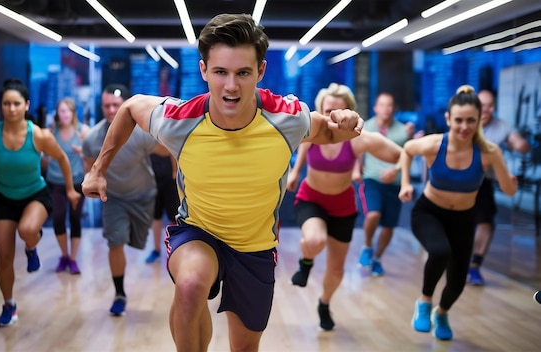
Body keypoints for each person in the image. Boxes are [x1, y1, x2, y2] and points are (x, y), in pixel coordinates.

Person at [82, 13, 363, 352]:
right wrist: (98, 169)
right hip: (199, 232)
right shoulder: (179, 120)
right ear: (203, 70)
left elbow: (330, 130)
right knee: (189, 285)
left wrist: (348, 119)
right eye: (220, 72)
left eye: (243, 73)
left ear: (260, 71)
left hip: (255, 247)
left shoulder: (286, 118)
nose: (231, 85)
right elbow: (129, 108)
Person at [0, 79, 80, 326]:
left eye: (16, 103)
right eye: (6, 104)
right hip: (4, 198)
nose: (11, 108)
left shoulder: (40, 135)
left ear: (26, 105)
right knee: (3, 257)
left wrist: (69, 189)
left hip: (35, 195)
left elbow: (62, 159)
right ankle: (9, 305)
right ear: (1, 106)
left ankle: (31, 247)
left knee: (27, 230)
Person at [398, 85, 517, 340]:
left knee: (457, 281)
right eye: (459, 120)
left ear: (479, 120)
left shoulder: (489, 152)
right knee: (440, 251)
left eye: (470, 121)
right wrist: (406, 182)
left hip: (463, 220)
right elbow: (407, 149)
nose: (464, 127)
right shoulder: (434, 144)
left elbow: (507, 189)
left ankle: (441, 312)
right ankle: (424, 302)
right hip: (428, 213)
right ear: (448, 119)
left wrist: (510, 183)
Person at [286, 83, 402, 331]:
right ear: (320, 111)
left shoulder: (358, 139)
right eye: (328, 111)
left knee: (336, 269)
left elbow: (399, 154)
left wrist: (399, 169)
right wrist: (294, 174)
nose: (334, 117)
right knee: (314, 240)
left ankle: (324, 303)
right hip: (312, 199)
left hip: (342, 207)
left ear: (351, 113)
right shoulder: (311, 132)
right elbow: (299, 151)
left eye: (339, 111)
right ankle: (306, 262)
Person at [82, 84, 171, 316]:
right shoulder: (92, 138)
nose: (111, 110)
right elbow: (89, 170)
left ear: (124, 106)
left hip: (143, 195)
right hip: (113, 198)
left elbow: (169, 150)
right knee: (116, 241)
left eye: (115, 105)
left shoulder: (140, 134)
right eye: (106, 105)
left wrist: (176, 173)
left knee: (137, 242)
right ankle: (119, 293)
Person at [468, 89, 529, 285]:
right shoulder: (464, 121)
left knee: (486, 222)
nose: (487, 109)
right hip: (458, 180)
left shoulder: (502, 126)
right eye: (483, 105)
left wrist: (520, 145)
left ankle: (475, 266)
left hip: (483, 181)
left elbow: (516, 140)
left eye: (491, 105)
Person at [356, 92, 415, 276]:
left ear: (394, 109)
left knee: (388, 227)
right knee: (373, 214)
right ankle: (367, 246)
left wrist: (396, 171)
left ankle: (377, 258)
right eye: (382, 105)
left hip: (395, 184)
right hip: (372, 179)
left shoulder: (404, 130)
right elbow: (359, 149)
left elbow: (408, 155)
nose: (386, 109)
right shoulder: (367, 126)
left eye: (389, 105)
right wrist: (356, 170)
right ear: (375, 108)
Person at [45, 98, 90, 274]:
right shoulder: (51, 132)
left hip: (78, 182)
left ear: (73, 113)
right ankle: (64, 255)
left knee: (75, 218)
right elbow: (44, 156)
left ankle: (73, 258)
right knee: (57, 217)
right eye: (61, 111)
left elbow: (93, 155)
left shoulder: (83, 131)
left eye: (66, 111)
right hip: (56, 182)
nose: (63, 114)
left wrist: (82, 152)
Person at [145, 153, 179, 263]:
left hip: (170, 179)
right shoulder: (147, 140)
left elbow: (171, 150)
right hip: (153, 179)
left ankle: (175, 248)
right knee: (156, 216)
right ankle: (156, 250)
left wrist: (175, 171)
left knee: (174, 217)